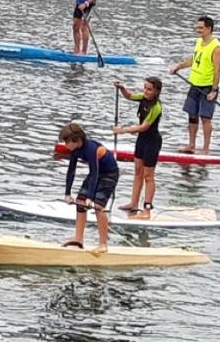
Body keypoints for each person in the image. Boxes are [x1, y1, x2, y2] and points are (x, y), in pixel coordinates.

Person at [57, 122, 119, 253]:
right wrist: (67, 193)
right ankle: (78, 239)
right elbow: (71, 171)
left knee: (98, 206)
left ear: (77, 140)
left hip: (109, 174)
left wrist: (90, 198)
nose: (66, 145)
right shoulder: (75, 150)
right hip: (95, 175)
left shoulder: (91, 148)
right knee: (80, 202)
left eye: (67, 142)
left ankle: (103, 244)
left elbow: (95, 172)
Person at [170, 16, 220, 154]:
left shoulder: (216, 47)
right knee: (192, 115)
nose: (198, 30)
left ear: (209, 29)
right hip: (194, 83)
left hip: (207, 87)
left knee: (205, 117)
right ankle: (191, 145)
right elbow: (194, 60)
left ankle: (206, 148)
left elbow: (218, 70)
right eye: (197, 27)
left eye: (201, 28)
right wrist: (179, 66)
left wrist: (214, 90)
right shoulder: (199, 42)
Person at [112, 77, 164, 216]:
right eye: (145, 88)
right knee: (137, 172)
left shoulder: (156, 107)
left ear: (156, 91)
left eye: (149, 89)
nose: (146, 91)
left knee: (148, 176)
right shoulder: (142, 98)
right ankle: (133, 203)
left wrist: (123, 130)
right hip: (141, 141)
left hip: (152, 142)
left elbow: (143, 127)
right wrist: (122, 88)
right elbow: (129, 96)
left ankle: (147, 208)